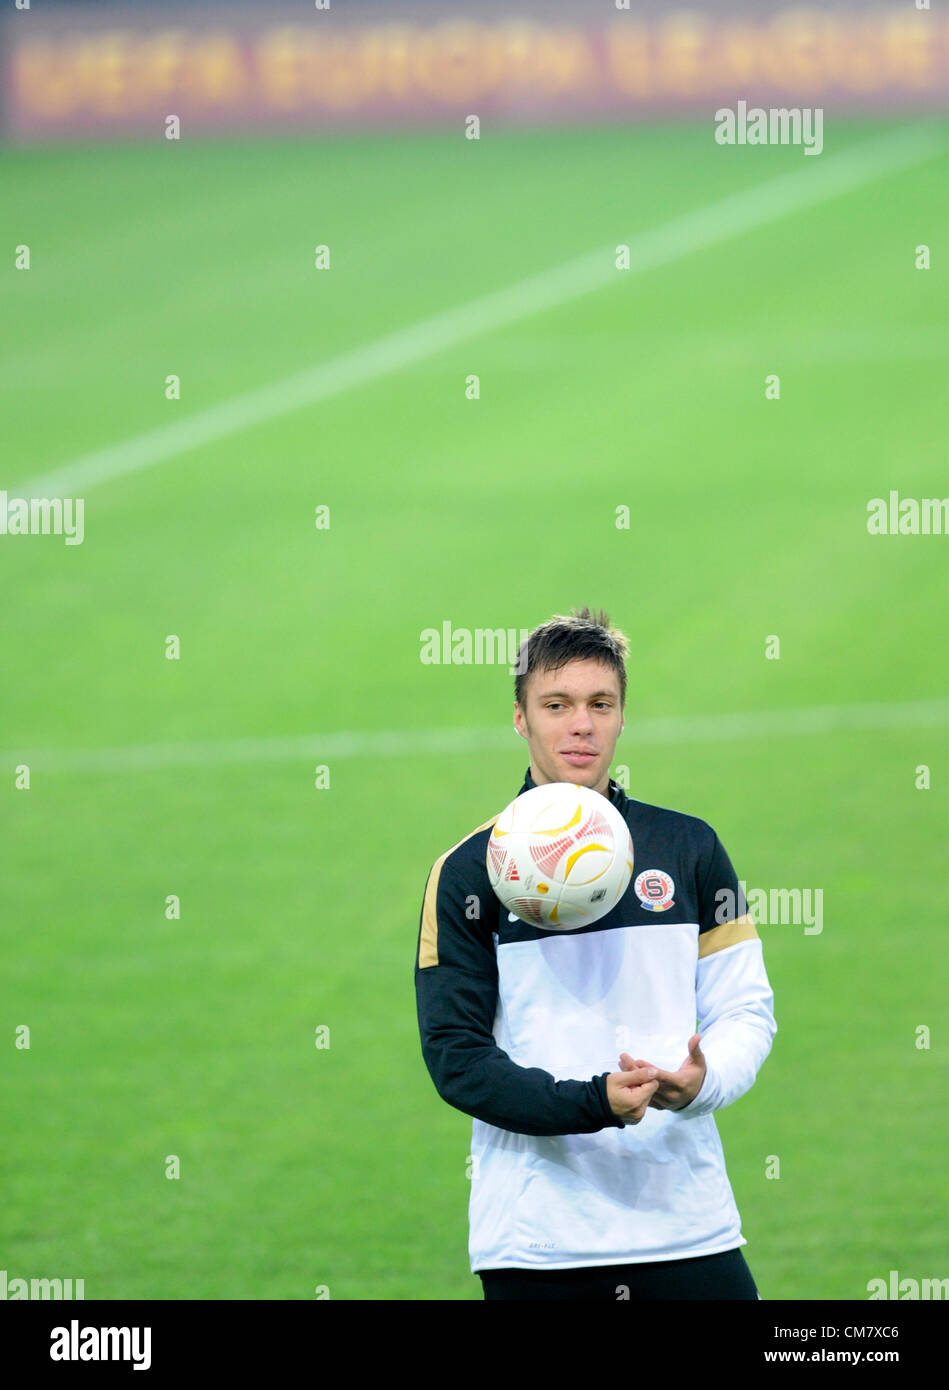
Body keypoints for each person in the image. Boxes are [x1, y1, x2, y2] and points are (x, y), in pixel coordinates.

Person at [414, 607, 776, 1300]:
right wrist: (594, 1102)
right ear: (520, 718)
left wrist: (703, 1083)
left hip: (688, 1228)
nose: (580, 724)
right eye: (557, 704)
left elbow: (744, 1009)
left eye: (599, 704)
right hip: (539, 1244)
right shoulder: (467, 873)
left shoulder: (687, 848)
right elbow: (456, 1060)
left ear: (619, 717)